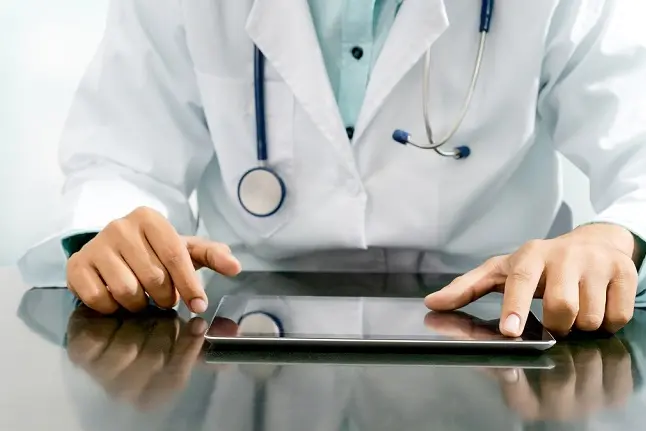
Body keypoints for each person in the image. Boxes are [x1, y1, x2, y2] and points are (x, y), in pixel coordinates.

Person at [20, 0, 646, 337]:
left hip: (507, 329)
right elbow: (120, 158)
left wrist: (614, 238)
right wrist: (115, 233)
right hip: (247, 335)